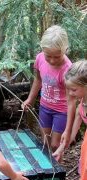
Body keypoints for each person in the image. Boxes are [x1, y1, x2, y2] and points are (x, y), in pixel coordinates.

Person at [22, 25, 72, 153]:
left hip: (62, 111)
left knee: (56, 145)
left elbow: (71, 99)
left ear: (65, 50)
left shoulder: (67, 69)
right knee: (45, 142)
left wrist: (69, 126)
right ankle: (48, 169)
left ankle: (57, 169)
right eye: (48, 56)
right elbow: (38, 80)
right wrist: (30, 99)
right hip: (45, 107)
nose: (52, 60)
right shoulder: (39, 58)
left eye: (57, 56)